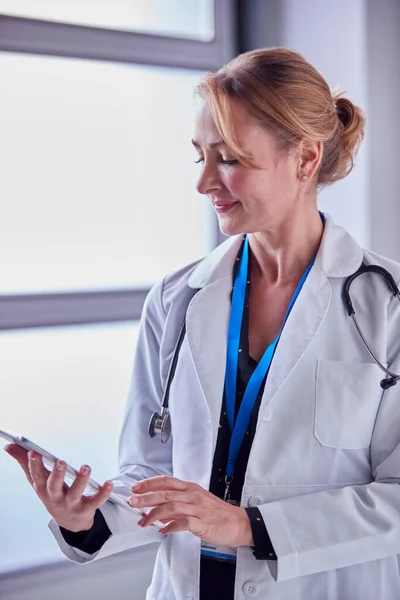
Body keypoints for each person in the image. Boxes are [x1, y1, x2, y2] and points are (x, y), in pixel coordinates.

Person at [5, 47, 400, 599]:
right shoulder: (176, 299)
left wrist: (244, 526)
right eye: (201, 157)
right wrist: (85, 516)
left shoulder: (388, 307)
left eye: (229, 159)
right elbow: (149, 473)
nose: (204, 183)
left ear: (306, 159)